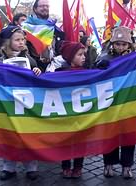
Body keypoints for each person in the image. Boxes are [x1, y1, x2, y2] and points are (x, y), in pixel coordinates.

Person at [0, 26, 42, 181]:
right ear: (7, 42)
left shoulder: (29, 58)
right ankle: (8, 167)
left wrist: (37, 71)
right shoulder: (0, 61)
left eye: (23, 39)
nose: (21, 42)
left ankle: (31, 167)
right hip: (6, 105)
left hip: (25, 105)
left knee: (26, 136)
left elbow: (36, 76)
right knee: (8, 136)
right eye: (17, 39)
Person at [96, 26, 136, 179]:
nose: (120, 47)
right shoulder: (105, 58)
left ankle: (127, 166)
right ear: (112, 44)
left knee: (128, 136)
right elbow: (93, 78)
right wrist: (98, 67)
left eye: (124, 44)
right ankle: (108, 165)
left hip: (129, 105)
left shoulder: (135, 59)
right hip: (109, 105)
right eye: (117, 44)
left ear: (129, 45)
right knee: (109, 135)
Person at [55, 41, 86, 179]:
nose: (84, 57)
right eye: (80, 54)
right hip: (65, 115)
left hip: (82, 115)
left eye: (84, 54)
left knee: (80, 142)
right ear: (70, 57)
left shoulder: (88, 72)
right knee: (65, 142)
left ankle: (78, 167)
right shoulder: (59, 73)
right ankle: (66, 167)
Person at [27, 0, 64, 71]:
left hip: (55, 68)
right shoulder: (28, 27)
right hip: (36, 69)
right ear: (35, 9)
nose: (45, 8)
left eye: (47, 6)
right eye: (41, 6)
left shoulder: (56, 29)